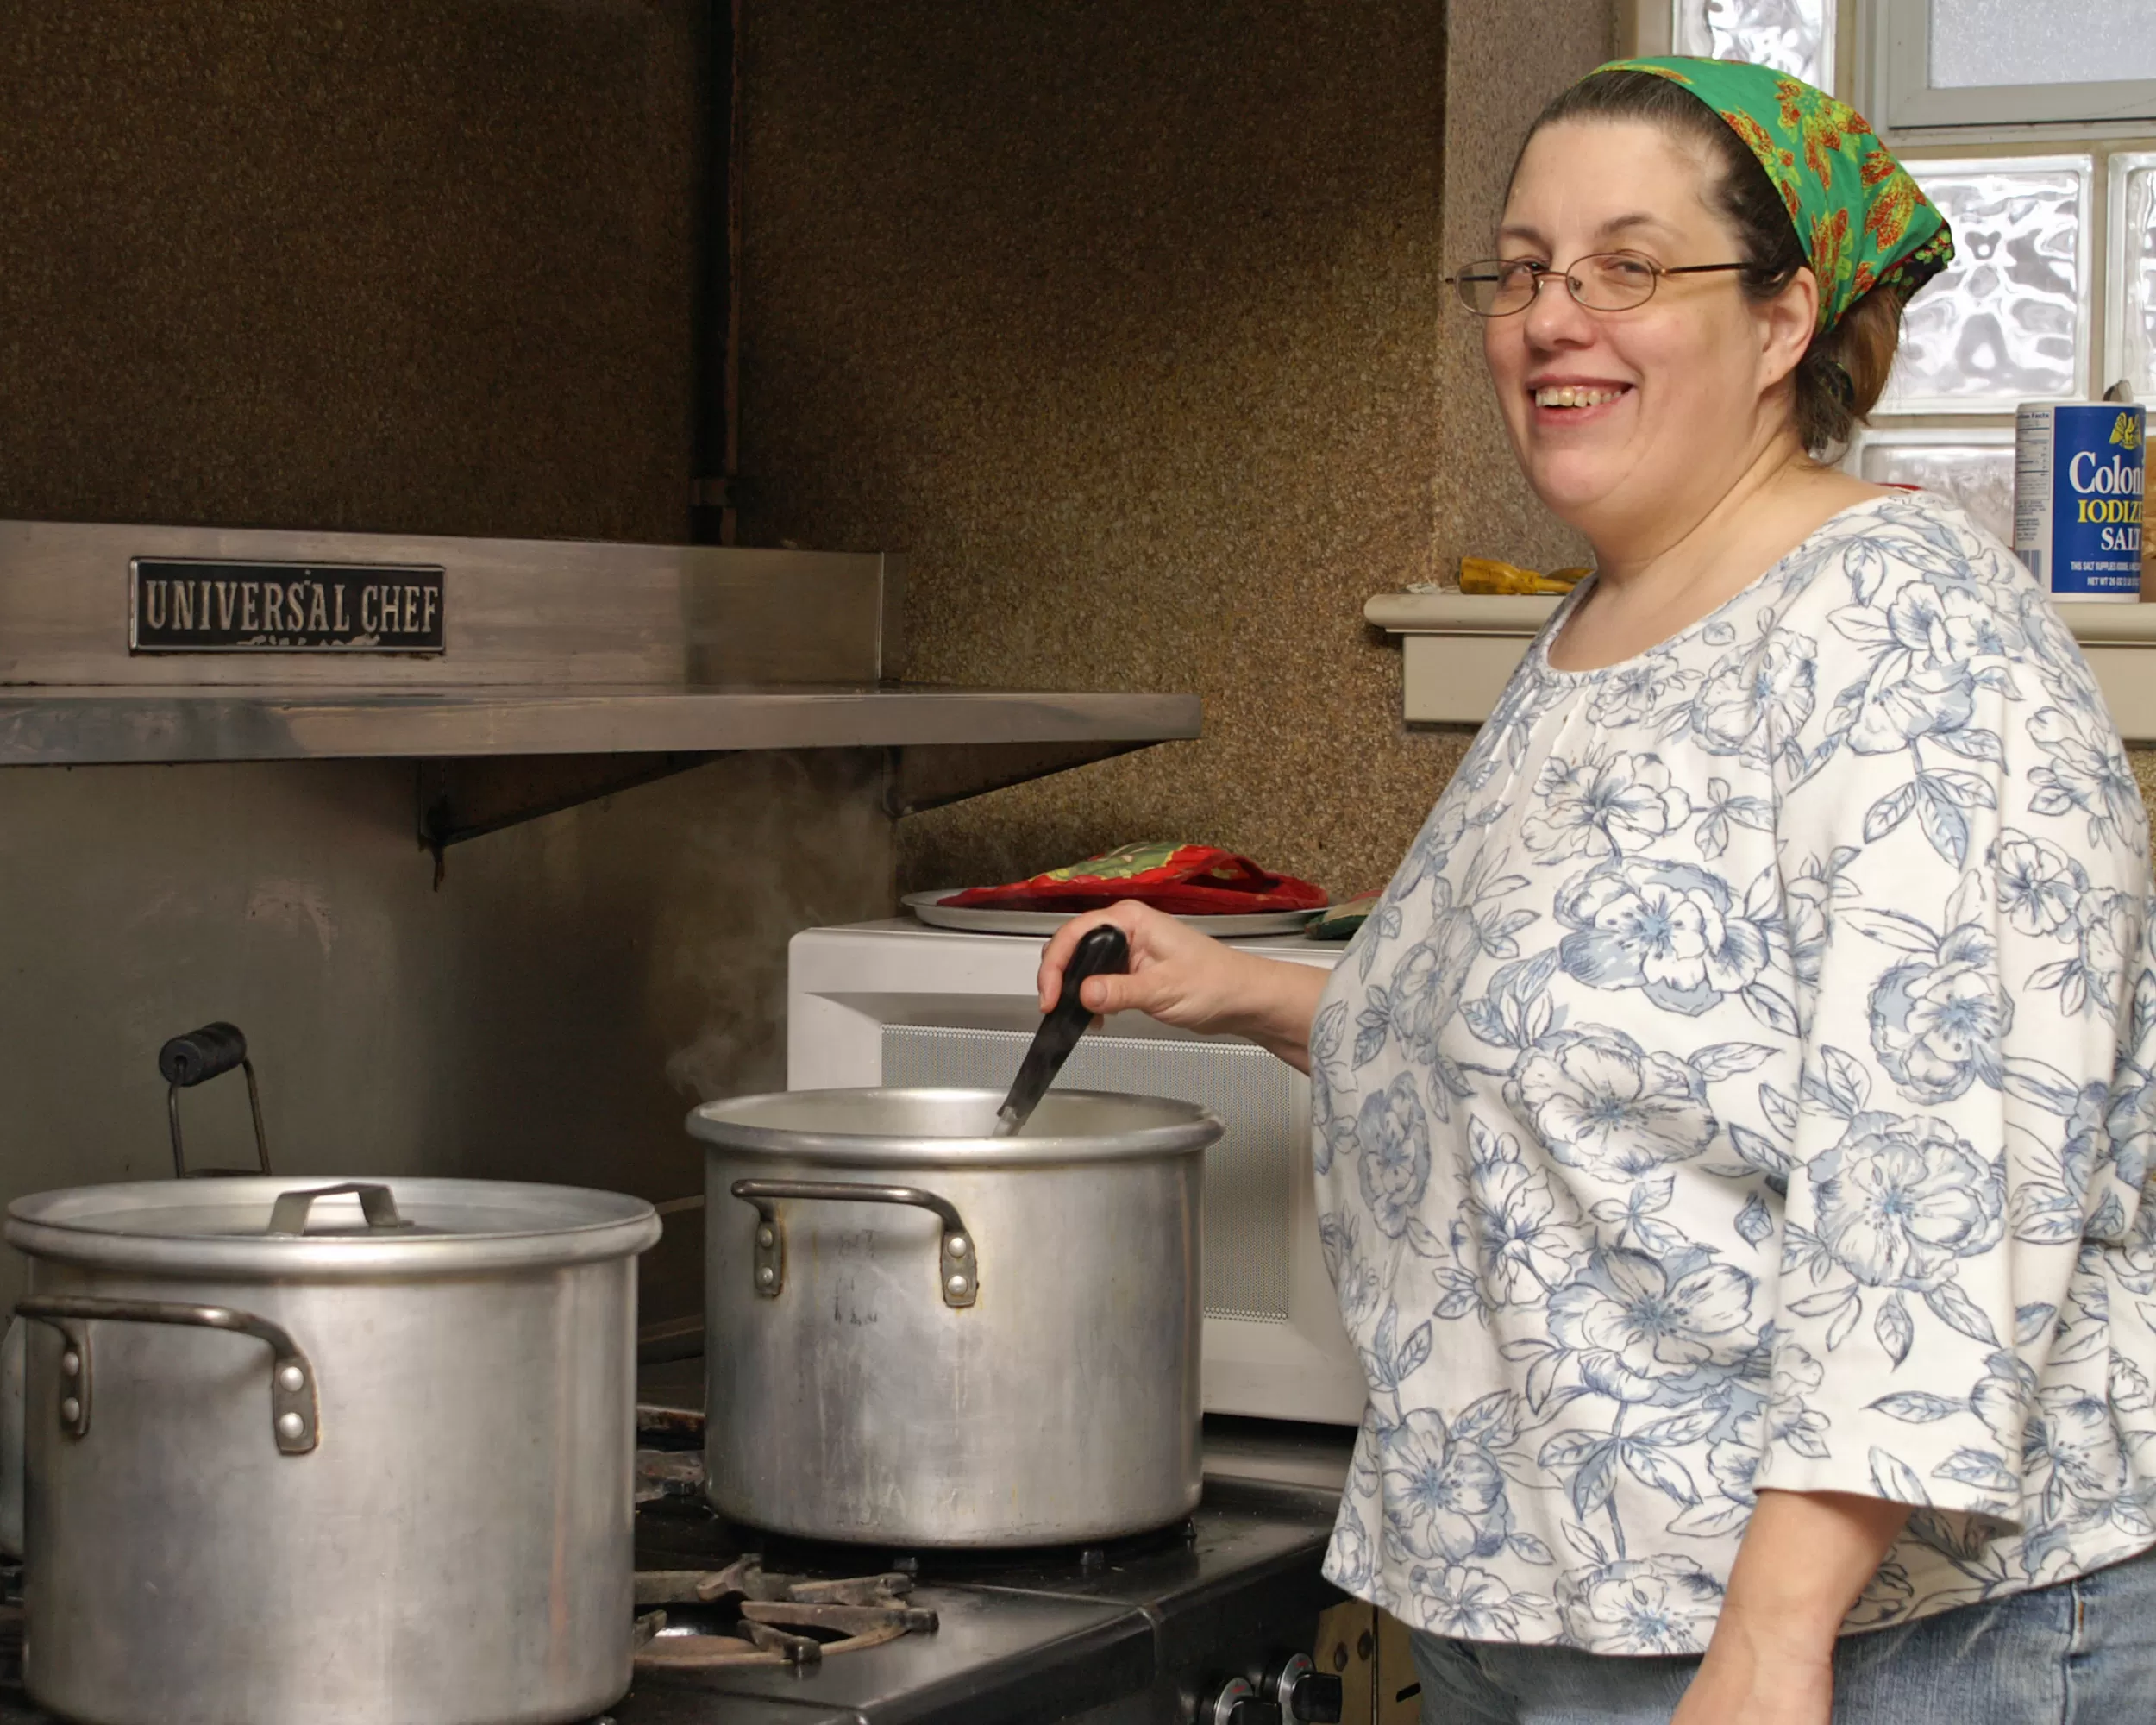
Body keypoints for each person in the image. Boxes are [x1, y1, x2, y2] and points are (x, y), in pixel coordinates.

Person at [1036, 56, 2156, 1725]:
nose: (1554, 318)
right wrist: (1251, 993)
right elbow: (1626, 1057)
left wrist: (1774, 1637)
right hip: (1561, 1611)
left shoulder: (1906, 629)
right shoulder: (1598, 630)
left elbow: (1938, 1166)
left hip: (1883, 1647)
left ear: (1782, 320)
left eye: (1628, 267)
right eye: (1523, 270)